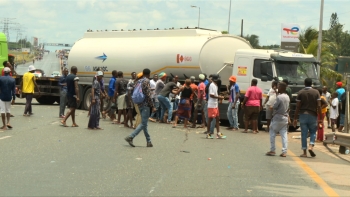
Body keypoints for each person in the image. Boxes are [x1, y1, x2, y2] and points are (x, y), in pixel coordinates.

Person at [125, 68, 156, 147]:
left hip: (139, 104)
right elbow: (148, 95)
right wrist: (152, 106)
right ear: (149, 74)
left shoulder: (139, 81)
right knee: (143, 123)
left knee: (144, 124)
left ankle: (148, 141)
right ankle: (131, 136)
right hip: (146, 105)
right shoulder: (146, 81)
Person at [293, 78, 322, 158]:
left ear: (304, 83)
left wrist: (295, 118)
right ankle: (311, 145)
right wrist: (320, 119)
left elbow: (298, 107)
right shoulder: (316, 92)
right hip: (313, 115)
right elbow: (319, 106)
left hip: (303, 115)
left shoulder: (300, 92)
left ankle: (304, 152)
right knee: (313, 132)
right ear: (311, 83)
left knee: (304, 134)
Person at [266, 82, 290, 157]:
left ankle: (272, 150)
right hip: (285, 117)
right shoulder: (287, 97)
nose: (277, 88)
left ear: (282, 88)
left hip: (278, 117)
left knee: (272, 132)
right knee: (284, 135)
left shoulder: (279, 97)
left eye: (279, 87)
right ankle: (284, 151)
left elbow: (275, 106)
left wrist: (271, 107)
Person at [206, 74, 226, 139]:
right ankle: (208, 133)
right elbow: (211, 95)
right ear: (216, 79)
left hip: (215, 104)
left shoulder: (215, 85)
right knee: (210, 119)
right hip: (211, 105)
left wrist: (219, 96)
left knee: (217, 118)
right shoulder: (212, 85)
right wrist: (219, 97)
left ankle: (218, 133)